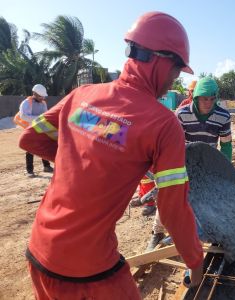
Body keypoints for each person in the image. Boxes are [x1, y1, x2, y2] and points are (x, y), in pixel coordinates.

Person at [19, 11, 203, 299]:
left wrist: (84, 165)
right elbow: (172, 209)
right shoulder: (163, 124)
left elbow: (31, 137)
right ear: (160, 59)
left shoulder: (81, 96)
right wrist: (194, 258)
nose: (174, 80)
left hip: (40, 250)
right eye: (176, 69)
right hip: (87, 272)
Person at [146, 76, 232, 250]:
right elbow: (173, 143)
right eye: (204, 98)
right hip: (182, 161)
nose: (208, 103)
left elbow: (226, 145)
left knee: (210, 200)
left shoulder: (223, 116)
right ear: (196, 97)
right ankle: (158, 232)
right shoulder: (182, 114)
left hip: (208, 163)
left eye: (211, 99)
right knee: (168, 195)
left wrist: (224, 171)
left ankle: (212, 233)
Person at [14, 84, 54, 177]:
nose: (42, 98)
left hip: (41, 126)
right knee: (30, 148)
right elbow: (23, 116)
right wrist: (38, 118)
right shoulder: (26, 103)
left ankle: (46, 166)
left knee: (44, 145)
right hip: (31, 127)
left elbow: (45, 114)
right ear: (34, 94)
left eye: (43, 96)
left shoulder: (43, 103)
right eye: (40, 96)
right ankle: (29, 170)